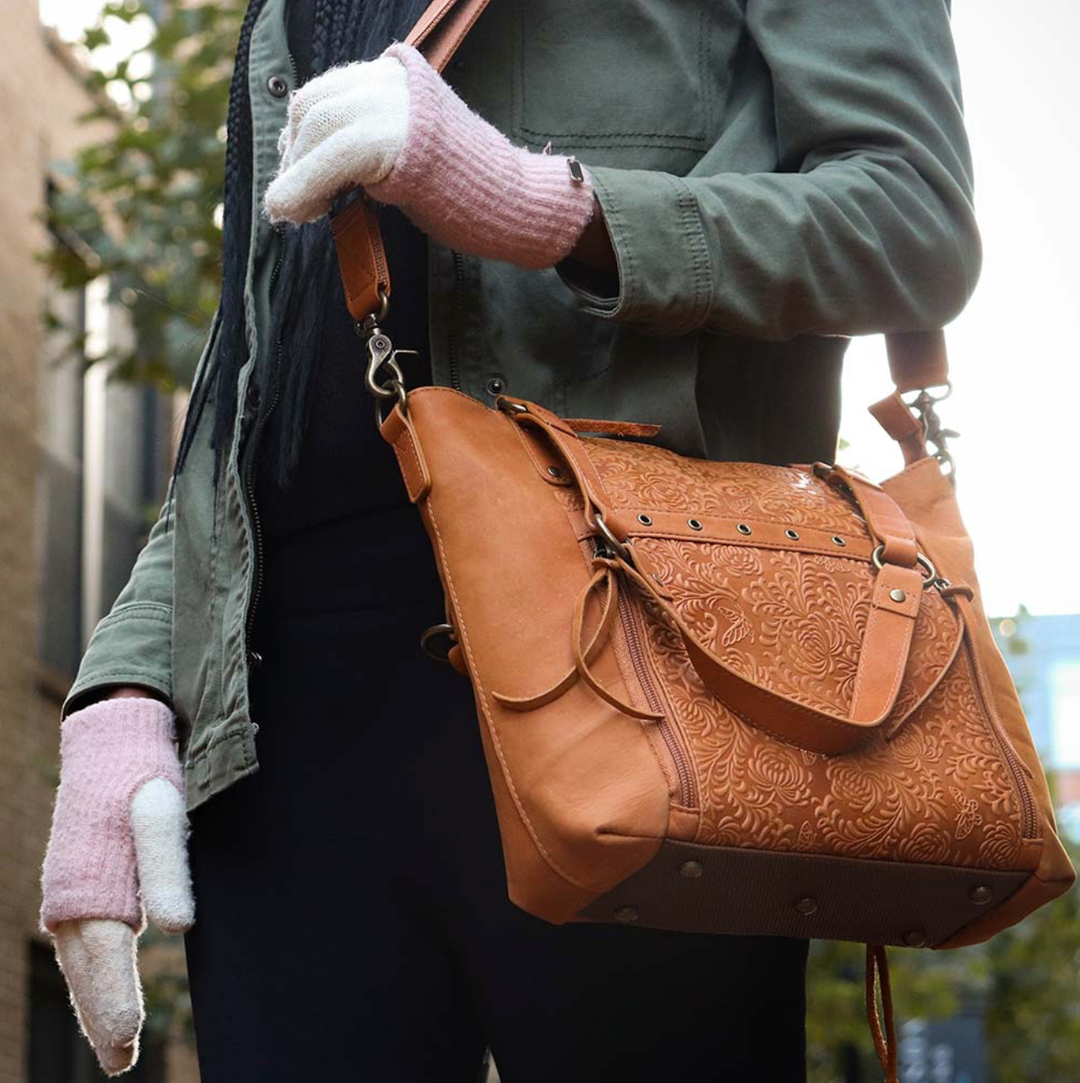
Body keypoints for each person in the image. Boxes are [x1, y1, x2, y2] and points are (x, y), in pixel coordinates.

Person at [38, 1, 981, 1079]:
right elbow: (258, 377)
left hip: (635, 659)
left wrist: (541, 207)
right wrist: (127, 686)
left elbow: (915, 225)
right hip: (277, 724)